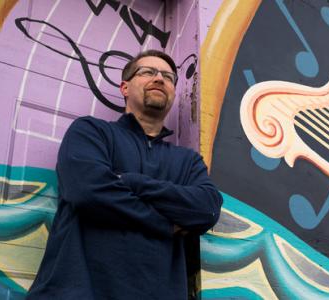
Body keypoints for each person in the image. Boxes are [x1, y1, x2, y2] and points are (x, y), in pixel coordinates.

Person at [27, 50, 223, 299]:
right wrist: (164, 224)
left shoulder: (187, 161)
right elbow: (87, 191)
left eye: (168, 76)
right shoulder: (91, 132)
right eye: (148, 72)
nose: (159, 79)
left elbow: (207, 209)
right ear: (125, 87)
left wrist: (133, 182)